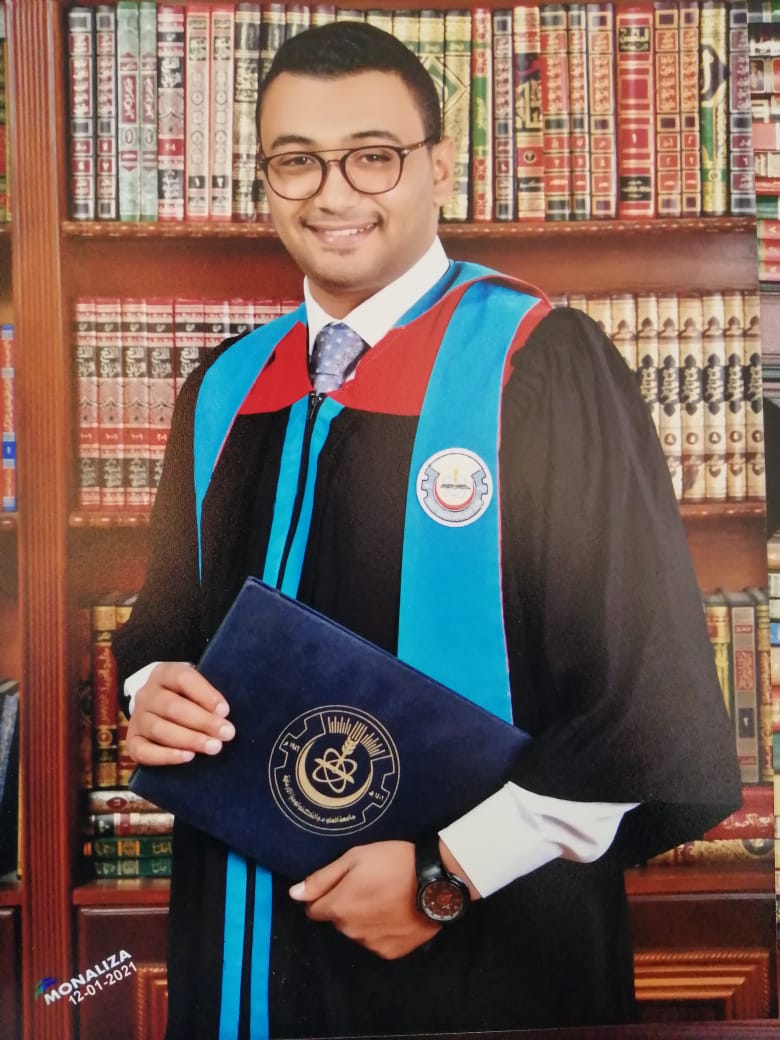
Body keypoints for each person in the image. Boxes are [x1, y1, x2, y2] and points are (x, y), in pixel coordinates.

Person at [114, 20, 741, 1040]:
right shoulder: (225, 388)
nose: (333, 193)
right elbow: (164, 625)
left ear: (440, 164)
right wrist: (153, 690)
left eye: (373, 155)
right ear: (265, 180)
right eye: (296, 160)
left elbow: (646, 702)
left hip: (482, 954)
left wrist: (447, 877)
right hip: (241, 939)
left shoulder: (538, 365)